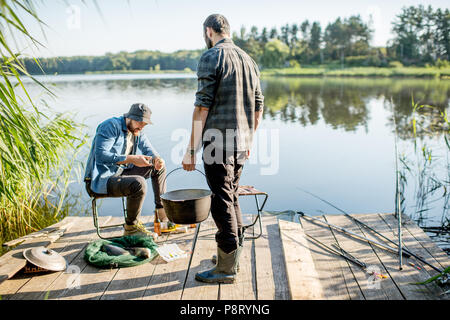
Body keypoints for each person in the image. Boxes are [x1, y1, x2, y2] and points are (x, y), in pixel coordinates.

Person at [182, 14, 264, 283]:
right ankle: (232, 257)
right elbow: (259, 104)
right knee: (232, 197)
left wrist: (191, 150)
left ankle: (226, 267)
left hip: (217, 141)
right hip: (241, 142)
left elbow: (202, 106)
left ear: (209, 31)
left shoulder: (211, 57)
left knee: (221, 201)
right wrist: (249, 138)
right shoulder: (248, 60)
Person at [84, 103, 168, 238]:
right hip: (101, 180)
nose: (141, 126)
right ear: (130, 117)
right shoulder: (110, 126)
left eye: (145, 124)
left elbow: (148, 149)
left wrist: (157, 159)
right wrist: (131, 159)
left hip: (121, 173)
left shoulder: (137, 130)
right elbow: (100, 156)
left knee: (159, 168)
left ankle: (162, 213)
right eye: (140, 122)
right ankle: (131, 227)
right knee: (138, 183)